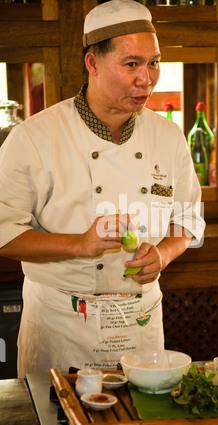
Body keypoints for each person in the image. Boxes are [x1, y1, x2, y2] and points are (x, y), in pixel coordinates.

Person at [0, 0, 205, 377]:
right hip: (62, 326)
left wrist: (162, 255)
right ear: (92, 63)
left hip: (139, 323)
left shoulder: (168, 137)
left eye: (154, 62)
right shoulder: (33, 138)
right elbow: (2, 233)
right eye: (131, 64)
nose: (146, 78)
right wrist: (80, 244)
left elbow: (189, 220)